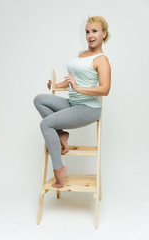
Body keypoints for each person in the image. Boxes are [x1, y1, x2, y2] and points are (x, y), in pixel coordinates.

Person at [33, 15, 111, 189]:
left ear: (104, 34)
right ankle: (61, 134)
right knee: (39, 99)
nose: (90, 35)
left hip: (89, 108)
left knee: (46, 125)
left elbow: (105, 89)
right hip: (73, 103)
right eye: (87, 31)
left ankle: (59, 168)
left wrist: (78, 89)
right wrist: (55, 85)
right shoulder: (81, 54)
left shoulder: (102, 60)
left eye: (95, 31)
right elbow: (72, 80)